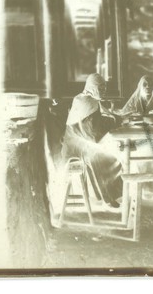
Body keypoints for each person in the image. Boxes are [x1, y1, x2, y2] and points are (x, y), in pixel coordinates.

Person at [61, 73, 122, 207]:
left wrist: (114, 120)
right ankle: (110, 197)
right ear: (92, 87)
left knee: (110, 152)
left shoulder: (87, 99)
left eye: (104, 87)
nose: (103, 90)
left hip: (81, 142)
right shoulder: (86, 102)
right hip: (75, 148)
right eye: (100, 87)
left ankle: (110, 196)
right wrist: (115, 121)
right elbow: (94, 134)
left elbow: (96, 124)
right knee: (108, 157)